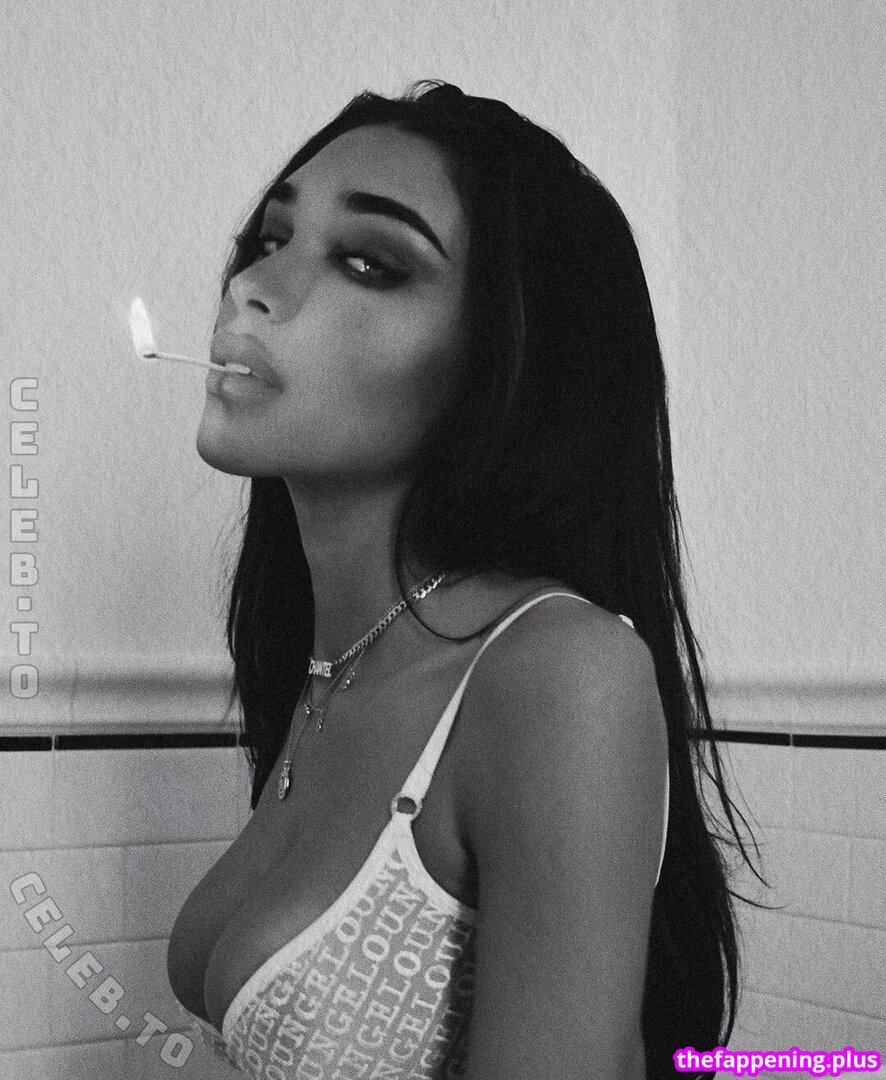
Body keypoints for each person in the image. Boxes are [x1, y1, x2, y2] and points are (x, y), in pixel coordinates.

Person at [167, 80, 760, 1080]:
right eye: (270, 238)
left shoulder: (558, 673)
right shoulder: (330, 671)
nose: (252, 287)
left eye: (370, 262)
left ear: (507, 357)